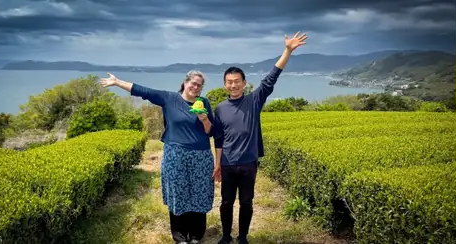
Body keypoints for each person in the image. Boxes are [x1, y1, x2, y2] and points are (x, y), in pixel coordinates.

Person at [211, 32, 308, 244]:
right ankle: (226, 236)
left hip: (248, 162)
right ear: (225, 84)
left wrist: (288, 50)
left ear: (244, 83)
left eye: (237, 81)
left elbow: (273, 75)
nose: (233, 85)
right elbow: (218, 139)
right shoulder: (220, 108)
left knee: (246, 202)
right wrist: (217, 164)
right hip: (227, 163)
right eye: (229, 82)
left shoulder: (254, 101)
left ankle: (243, 236)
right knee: (226, 202)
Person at [100, 70, 215, 244]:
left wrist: (204, 120)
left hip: (201, 156)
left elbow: (210, 132)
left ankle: (196, 235)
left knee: (199, 192)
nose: (195, 87)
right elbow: (143, 91)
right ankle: (180, 236)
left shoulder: (203, 102)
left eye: (199, 85)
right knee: (178, 192)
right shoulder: (169, 98)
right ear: (185, 82)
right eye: (193, 83)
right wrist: (117, 82)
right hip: (175, 155)